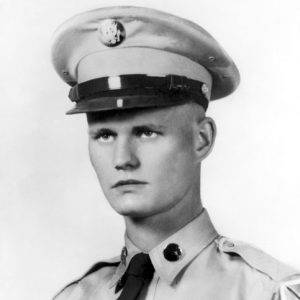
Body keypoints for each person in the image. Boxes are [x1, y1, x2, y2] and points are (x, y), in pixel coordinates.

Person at [51, 6, 300, 300]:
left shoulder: (264, 291)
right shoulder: (76, 296)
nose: (122, 159)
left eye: (147, 132)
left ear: (202, 139)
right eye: (104, 135)